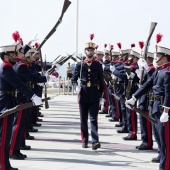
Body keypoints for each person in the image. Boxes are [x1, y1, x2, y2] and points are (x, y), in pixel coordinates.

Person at [126, 45, 170, 170]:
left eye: (158, 56)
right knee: (160, 141)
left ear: (165, 58)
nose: (155, 58)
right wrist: (134, 98)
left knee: (165, 142)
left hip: (163, 110)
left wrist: (166, 111)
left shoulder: (167, 72)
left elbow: (168, 93)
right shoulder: (158, 71)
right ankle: (163, 163)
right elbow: (146, 85)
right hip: (156, 108)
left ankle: (165, 167)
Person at [0, 43, 42, 170]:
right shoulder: (6, 68)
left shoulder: (7, 67)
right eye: (12, 54)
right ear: (6, 56)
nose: (15, 56)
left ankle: (4, 164)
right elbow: (18, 84)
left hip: (8, 101)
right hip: (6, 104)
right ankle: (3, 165)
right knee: (4, 137)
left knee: (5, 136)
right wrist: (32, 96)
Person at [72, 36, 104, 150]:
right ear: (85, 51)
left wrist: (102, 96)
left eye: (91, 50)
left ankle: (95, 141)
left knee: (94, 119)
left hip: (94, 93)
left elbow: (102, 81)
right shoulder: (80, 65)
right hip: (83, 93)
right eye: (88, 50)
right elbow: (74, 79)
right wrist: (76, 87)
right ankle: (85, 140)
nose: (90, 52)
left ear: (93, 51)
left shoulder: (98, 65)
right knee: (83, 119)